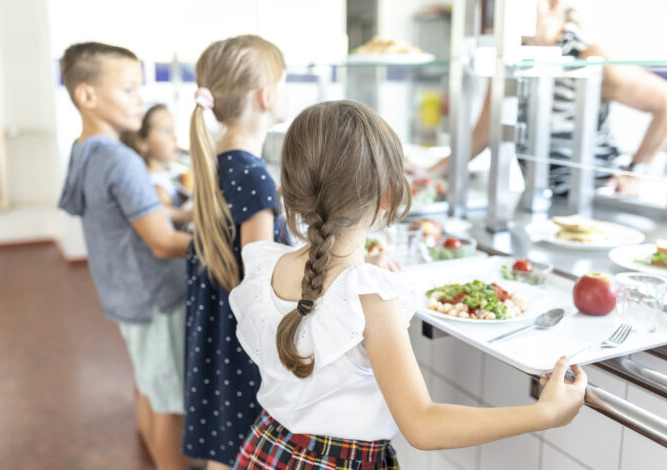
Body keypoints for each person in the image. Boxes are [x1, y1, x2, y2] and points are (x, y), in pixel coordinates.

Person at [229, 100, 587, 469]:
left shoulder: (265, 264)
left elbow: (322, 293)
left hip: (267, 449)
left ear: (289, 187)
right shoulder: (370, 296)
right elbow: (422, 425)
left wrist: (361, 272)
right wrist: (545, 414)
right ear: (388, 193)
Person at [57, 42, 192, 469]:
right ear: (87, 95)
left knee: (150, 389)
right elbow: (164, 242)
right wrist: (230, 242)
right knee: (170, 403)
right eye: (130, 89)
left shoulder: (84, 149)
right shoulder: (122, 160)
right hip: (154, 297)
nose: (140, 100)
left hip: (124, 295)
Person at [427, 0, 667, 196]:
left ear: (552, 4)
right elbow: (484, 132)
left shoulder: (587, 54)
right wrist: (429, 173)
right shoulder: (512, 55)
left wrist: (636, 171)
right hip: (539, 198)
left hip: (594, 196)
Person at [182, 35, 291, 470]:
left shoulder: (221, 161)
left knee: (225, 441)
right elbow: (260, 275)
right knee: (245, 444)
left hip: (215, 329)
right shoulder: (254, 174)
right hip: (244, 337)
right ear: (265, 95)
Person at [121, 104, 192, 226]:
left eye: (173, 130)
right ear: (142, 142)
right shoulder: (155, 187)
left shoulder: (161, 177)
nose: (174, 137)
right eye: (166, 131)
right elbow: (157, 212)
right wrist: (190, 215)